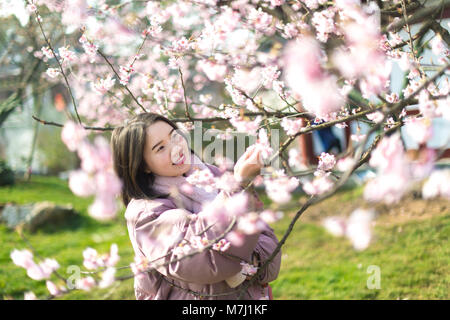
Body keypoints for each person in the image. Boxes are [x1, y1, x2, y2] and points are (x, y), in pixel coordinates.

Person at [111, 113, 281, 300]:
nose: (176, 148)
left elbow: (267, 238)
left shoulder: (213, 175)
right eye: (160, 148)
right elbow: (205, 264)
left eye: (175, 136)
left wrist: (252, 261)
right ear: (143, 166)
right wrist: (237, 188)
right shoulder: (146, 213)